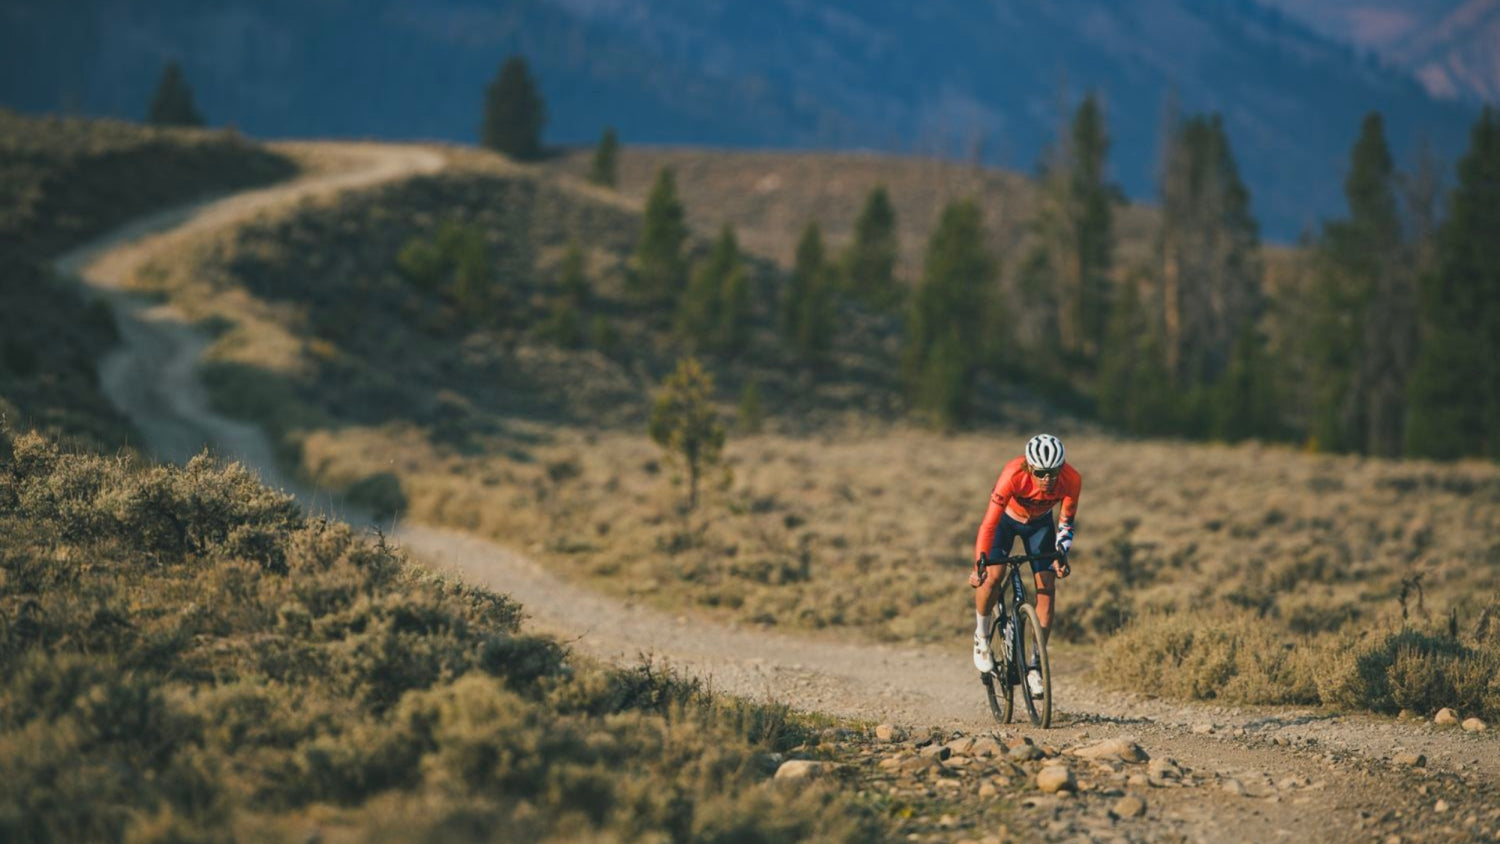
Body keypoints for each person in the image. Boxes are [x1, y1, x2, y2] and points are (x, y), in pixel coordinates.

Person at [968, 433, 1081, 697]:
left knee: (1047, 587)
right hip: (1005, 523)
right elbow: (988, 523)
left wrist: (1061, 554)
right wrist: (979, 565)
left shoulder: (1072, 479)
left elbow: (1066, 522)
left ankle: (1035, 665)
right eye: (1041, 473)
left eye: (1054, 472)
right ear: (1029, 467)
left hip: (1040, 525)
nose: (1048, 479)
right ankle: (982, 637)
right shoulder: (1012, 475)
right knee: (993, 576)